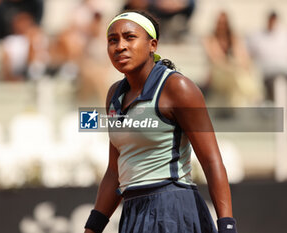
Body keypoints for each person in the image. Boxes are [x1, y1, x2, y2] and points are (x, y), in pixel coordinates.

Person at [84, 11, 238, 233]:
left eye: (129, 37)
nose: (120, 46)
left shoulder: (178, 88)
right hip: (132, 212)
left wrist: (227, 225)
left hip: (173, 209)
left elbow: (211, 160)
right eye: (112, 40)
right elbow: (114, 172)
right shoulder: (113, 95)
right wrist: (93, 227)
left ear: (152, 45)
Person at [202, 11, 261, 107]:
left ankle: (243, 102)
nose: (222, 26)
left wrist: (238, 63)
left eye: (224, 23)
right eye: (220, 23)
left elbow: (242, 56)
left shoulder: (233, 37)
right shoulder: (210, 39)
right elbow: (216, 60)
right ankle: (254, 96)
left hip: (233, 73)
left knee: (239, 75)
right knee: (237, 75)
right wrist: (234, 65)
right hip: (217, 74)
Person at [247, 11, 287, 102]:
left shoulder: (284, 36)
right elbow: (249, 54)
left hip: (283, 70)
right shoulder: (258, 36)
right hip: (265, 72)